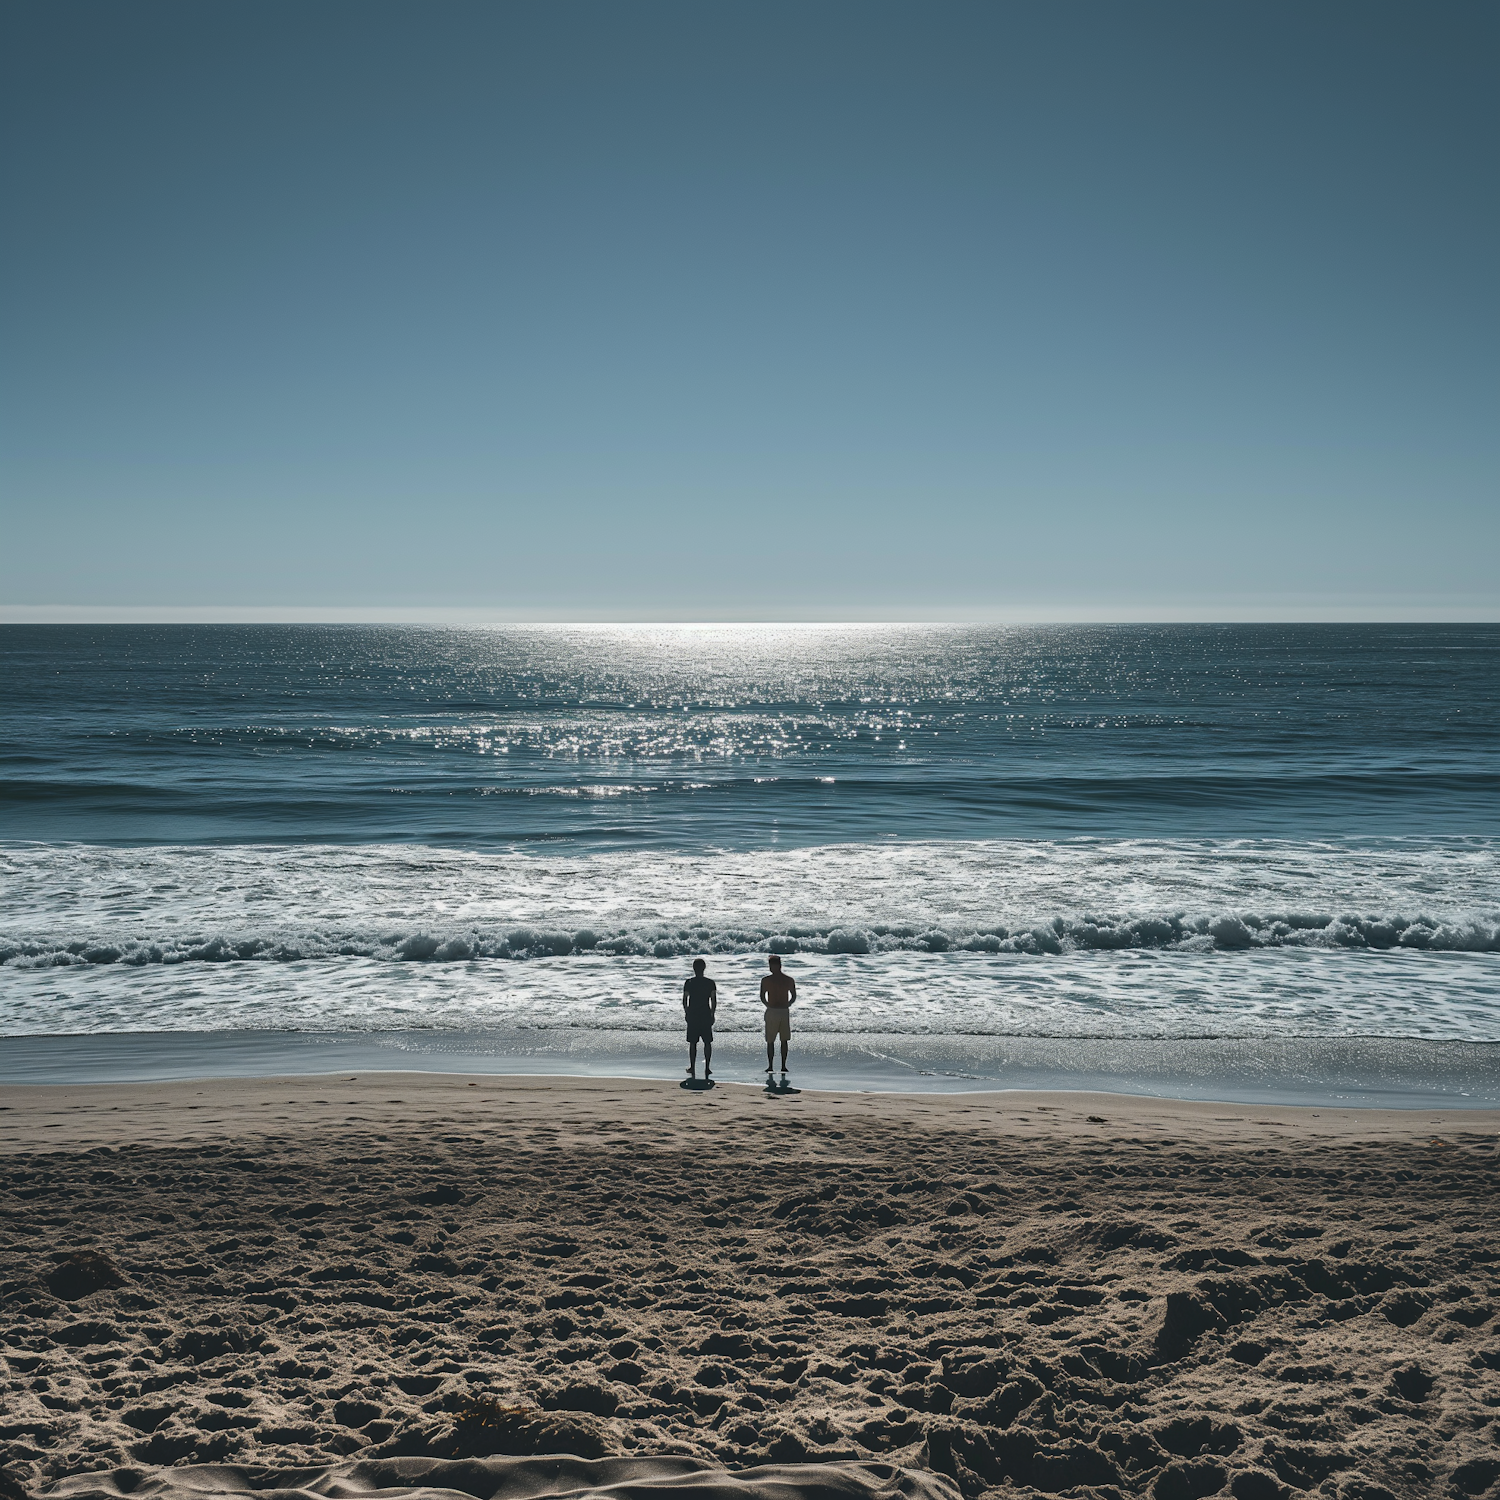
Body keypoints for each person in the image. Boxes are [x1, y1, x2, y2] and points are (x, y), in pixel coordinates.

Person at [759, 954, 796, 1074]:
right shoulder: (788, 979)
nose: (770, 968)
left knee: (772, 1040)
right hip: (783, 1011)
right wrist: (788, 1004)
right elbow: (793, 996)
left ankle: (772, 1066)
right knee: (782, 1040)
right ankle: (781, 1066)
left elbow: (762, 996)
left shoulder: (766, 980)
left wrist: (768, 1005)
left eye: (771, 965)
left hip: (773, 1010)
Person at [682, 958, 718, 1080]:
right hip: (705, 1014)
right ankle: (707, 1067)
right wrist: (712, 1014)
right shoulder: (710, 983)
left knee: (693, 1043)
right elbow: (713, 1000)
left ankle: (692, 1066)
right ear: (704, 968)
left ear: (693, 968)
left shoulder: (689, 982)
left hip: (693, 1014)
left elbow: (685, 1000)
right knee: (707, 1042)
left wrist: (686, 1012)